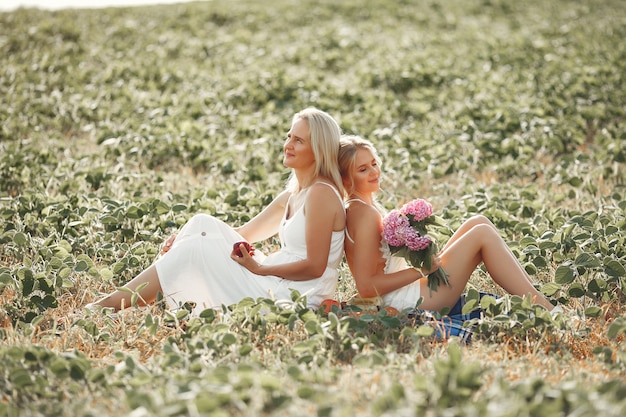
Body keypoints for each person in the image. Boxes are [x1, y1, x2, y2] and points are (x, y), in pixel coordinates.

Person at [88, 108, 346, 315]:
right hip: (276, 278)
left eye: (298, 140)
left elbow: (315, 267)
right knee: (201, 223)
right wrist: (184, 237)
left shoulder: (321, 194)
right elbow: (243, 234)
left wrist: (258, 269)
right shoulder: (295, 193)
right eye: (289, 136)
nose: (288, 144)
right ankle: (124, 300)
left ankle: (107, 306)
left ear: (318, 150)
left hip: (295, 294)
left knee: (193, 251)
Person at [337, 135, 556, 313]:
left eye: (374, 164)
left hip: (409, 290)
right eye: (363, 169)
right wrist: (421, 270)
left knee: (478, 222)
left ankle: (539, 299)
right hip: (406, 302)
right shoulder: (363, 214)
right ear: (346, 179)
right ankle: (548, 310)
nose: (374, 172)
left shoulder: (365, 206)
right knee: (482, 234)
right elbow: (366, 287)